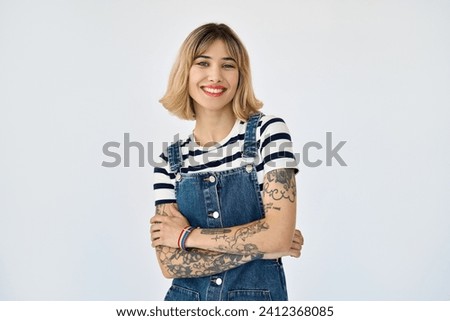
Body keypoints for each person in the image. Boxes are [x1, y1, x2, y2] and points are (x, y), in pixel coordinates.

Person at [150, 23, 303, 301]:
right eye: (203, 63)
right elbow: (170, 264)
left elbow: (279, 237)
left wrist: (186, 238)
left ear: (240, 75)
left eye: (228, 65)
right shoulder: (168, 161)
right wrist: (264, 244)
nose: (215, 76)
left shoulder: (268, 133)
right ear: (186, 72)